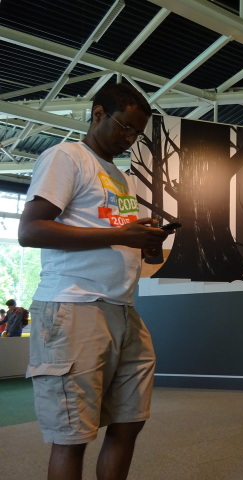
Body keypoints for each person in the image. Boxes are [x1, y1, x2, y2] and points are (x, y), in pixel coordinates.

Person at [18, 82, 174, 480]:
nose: (130, 138)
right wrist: (121, 235)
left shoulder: (121, 178)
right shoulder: (66, 156)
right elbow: (31, 231)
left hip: (122, 309)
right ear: (98, 113)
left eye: (137, 133)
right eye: (125, 127)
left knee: (129, 421)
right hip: (73, 305)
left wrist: (145, 242)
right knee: (72, 434)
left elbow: (116, 236)